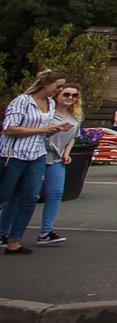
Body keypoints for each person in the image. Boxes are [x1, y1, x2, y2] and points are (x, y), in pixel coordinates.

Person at [1, 70, 72, 255]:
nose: (60, 90)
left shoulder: (49, 104)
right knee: (4, 196)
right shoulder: (22, 101)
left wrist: (55, 129)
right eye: (58, 86)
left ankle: (14, 241)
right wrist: (43, 128)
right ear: (45, 84)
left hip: (37, 155)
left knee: (30, 198)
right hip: (14, 155)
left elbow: (44, 132)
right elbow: (9, 129)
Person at [36, 82, 84, 245]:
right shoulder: (47, 112)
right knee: (26, 195)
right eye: (66, 94)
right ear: (57, 95)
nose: (70, 98)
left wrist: (66, 153)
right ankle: (5, 232)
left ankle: (46, 232)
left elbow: (73, 137)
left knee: (55, 194)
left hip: (57, 159)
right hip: (39, 156)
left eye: (74, 95)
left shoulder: (75, 115)